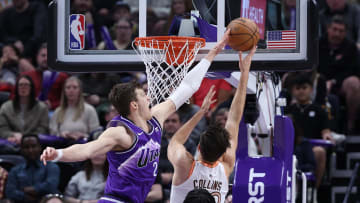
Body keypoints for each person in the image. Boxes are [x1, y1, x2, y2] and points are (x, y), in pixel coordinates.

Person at [40, 30, 231, 202]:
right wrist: (58, 154)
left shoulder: (156, 117)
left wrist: (212, 53)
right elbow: (87, 150)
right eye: (143, 95)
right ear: (134, 105)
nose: (149, 97)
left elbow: (188, 87)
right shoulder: (121, 133)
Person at [168, 47, 256, 203]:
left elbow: (175, 142)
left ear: (199, 147)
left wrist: (200, 113)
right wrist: (244, 75)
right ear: (223, 152)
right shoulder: (226, 166)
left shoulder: (185, 165)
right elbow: (234, 120)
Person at [5, 134, 60, 203]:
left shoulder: (51, 166)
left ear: (40, 147)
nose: (30, 150)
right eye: (26, 147)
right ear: (21, 149)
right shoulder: (15, 170)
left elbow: (51, 186)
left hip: (45, 200)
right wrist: (25, 196)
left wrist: (28, 190)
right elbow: (10, 191)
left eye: (33, 146)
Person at [0, 75, 49, 145]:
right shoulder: (6, 107)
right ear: (16, 88)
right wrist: (12, 135)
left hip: (34, 144)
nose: (23, 87)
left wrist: (25, 138)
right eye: (20, 85)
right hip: (11, 142)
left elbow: (43, 129)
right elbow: (2, 128)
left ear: (31, 88)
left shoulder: (42, 108)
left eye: (26, 85)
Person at [22, 44, 68, 110]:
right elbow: (14, 97)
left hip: (55, 113)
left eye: (49, 56)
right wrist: (31, 102)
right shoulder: (26, 76)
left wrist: (52, 105)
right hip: (30, 111)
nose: (46, 58)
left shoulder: (62, 76)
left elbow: (69, 99)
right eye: (43, 55)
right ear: (37, 57)